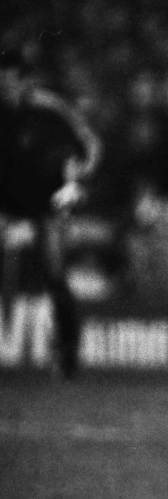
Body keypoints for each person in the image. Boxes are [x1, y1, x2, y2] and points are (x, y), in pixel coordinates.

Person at [0, 45, 102, 378]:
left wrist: (77, 180)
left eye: (11, 81)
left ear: (25, 81)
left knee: (55, 272)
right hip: (7, 201)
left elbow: (90, 146)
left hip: (46, 201)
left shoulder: (49, 111)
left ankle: (67, 351)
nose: (6, 88)